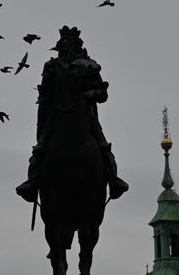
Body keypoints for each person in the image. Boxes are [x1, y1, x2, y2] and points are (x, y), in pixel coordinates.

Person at [15, 26, 129, 203]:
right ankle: (32, 183)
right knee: (39, 152)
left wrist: (93, 94)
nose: (68, 46)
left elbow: (103, 93)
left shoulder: (89, 65)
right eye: (65, 43)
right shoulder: (51, 66)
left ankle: (114, 180)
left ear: (78, 45)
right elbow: (44, 98)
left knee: (104, 147)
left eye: (72, 43)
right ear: (60, 45)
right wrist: (41, 127)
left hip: (86, 116)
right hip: (57, 116)